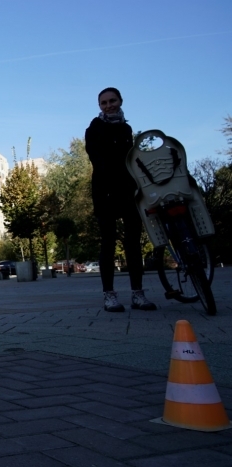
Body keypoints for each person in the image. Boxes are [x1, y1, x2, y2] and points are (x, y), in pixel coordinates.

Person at [85, 88, 156, 312]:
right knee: (108, 242)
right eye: (103, 102)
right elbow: (97, 160)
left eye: (112, 101)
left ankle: (138, 294)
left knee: (133, 243)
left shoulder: (126, 128)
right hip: (105, 191)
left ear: (120, 101)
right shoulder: (94, 128)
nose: (108, 105)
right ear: (99, 106)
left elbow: (131, 159)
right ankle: (110, 296)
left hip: (128, 191)